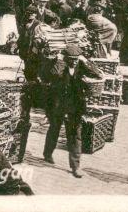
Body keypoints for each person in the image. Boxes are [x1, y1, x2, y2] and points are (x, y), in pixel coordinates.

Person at [42, 44, 103, 178]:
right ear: (66, 58)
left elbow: (98, 74)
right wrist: (59, 60)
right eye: (71, 59)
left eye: (76, 59)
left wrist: (85, 61)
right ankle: (47, 153)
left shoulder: (80, 66)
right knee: (54, 129)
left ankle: (75, 166)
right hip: (58, 104)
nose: (74, 61)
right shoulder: (58, 65)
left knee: (75, 134)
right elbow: (53, 74)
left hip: (75, 105)